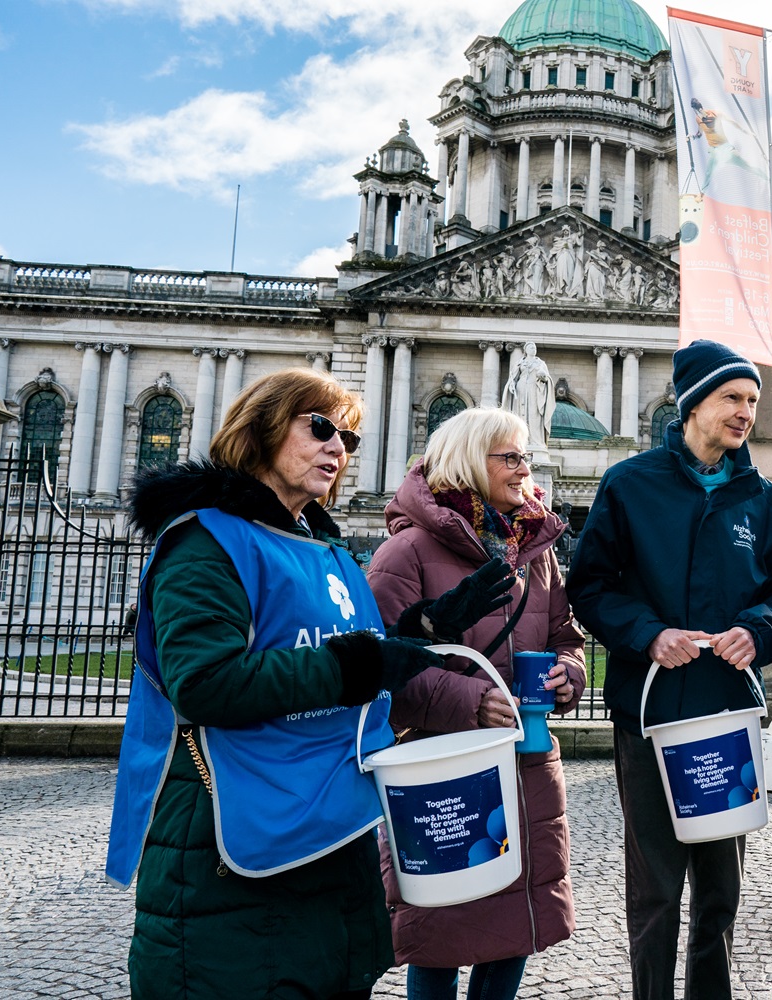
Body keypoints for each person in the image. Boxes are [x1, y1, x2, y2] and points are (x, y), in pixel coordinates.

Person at [106, 368, 449, 999]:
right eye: (320, 428)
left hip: (332, 839)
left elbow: (333, 656)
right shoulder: (205, 541)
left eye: (347, 436)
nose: (337, 448)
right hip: (231, 845)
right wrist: (358, 667)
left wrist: (421, 629)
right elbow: (206, 682)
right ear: (264, 428)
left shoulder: (323, 548)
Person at [568, 339, 772, 1000]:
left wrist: (754, 633)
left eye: (753, 401)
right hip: (650, 716)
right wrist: (650, 635)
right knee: (655, 889)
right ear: (693, 401)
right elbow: (588, 590)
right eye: (733, 397)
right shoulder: (629, 484)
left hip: (726, 716)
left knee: (721, 890)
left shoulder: (759, 499)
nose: (745, 413)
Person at [366, 406, 586, 1000]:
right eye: (511, 458)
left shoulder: (534, 550)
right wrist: (472, 700)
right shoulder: (404, 552)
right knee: (439, 932)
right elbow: (380, 671)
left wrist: (568, 675)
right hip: (442, 770)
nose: (525, 471)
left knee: (516, 927)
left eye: (527, 459)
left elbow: (566, 636)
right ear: (470, 461)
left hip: (524, 763)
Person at [502, 341, 554, 447]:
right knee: (520, 414)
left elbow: (547, 379)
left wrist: (543, 377)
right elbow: (513, 378)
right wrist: (511, 386)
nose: (533, 349)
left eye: (534, 347)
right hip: (521, 389)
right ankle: (519, 440)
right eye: (531, 347)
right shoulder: (520, 362)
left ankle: (536, 441)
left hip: (535, 390)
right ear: (525, 350)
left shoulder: (540, 363)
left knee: (534, 414)